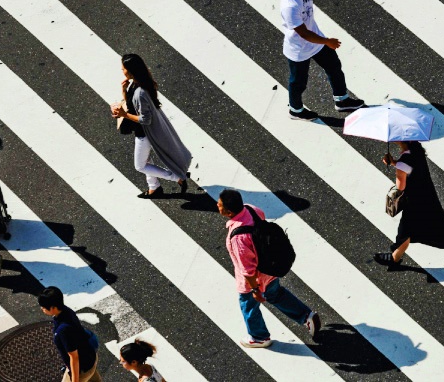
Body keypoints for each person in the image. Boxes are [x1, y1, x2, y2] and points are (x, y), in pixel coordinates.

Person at [216, 189, 321, 348]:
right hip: (269, 267)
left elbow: (247, 269)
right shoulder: (251, 209)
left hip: (255, 278)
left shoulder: (239, 237)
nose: (217, 204)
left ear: (229, 212)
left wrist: (254, 290)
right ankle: (306, 316)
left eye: (220, 204)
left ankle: (259, 337)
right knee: (276, 294)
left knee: (248, 305)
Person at [277, 0, 365, 121]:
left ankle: (342, 100)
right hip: (299, 48)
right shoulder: (289, 5)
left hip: (315, 38)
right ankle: (295, 110)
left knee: (334, 67)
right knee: (298, 82)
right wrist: (326, 41)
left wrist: (323, 41)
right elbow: (303, 33)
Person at [374, 141, 444, 271]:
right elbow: (410, 168)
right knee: (442, 227)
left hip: (414, 203)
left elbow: (401, 186)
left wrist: (397, 170)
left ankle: (394, 259)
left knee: (405, 231)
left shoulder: (404, 161)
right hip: (428, 196)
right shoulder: (417, 151)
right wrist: (394, 163)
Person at [111, 54, 191, 198]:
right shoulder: (137, 83)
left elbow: (145, 119)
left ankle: (177, 177)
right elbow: (132, 105)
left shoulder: (139, 92)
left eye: (123, 69)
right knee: (145, 159)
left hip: (145, 134)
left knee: (140, 166)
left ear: (130, 70)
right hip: (142, 132)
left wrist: (124, 115)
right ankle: (154, 187)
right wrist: (124, 93)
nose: (122, 71)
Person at [39, 287, 102, 382]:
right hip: (90, 359)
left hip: (81, 370)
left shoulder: (64, 330)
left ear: (53, 307)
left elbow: (74, 357)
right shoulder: (67, 311)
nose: (42, 309)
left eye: (43, 307)